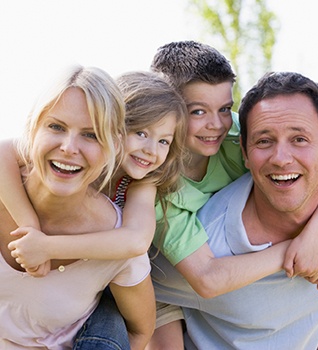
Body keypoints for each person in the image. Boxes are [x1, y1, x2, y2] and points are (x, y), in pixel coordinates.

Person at [146, 41, 318, 349]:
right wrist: (291, 252)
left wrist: (313, 236)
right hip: (178, 270)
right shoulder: (158, 190)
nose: (215, 124)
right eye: (198, 111)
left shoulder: (232, 136)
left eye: (225, 109)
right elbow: (205, 279)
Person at [0, 65, 156, 349]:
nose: (69, 147)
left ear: (114, 146)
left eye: (91, 134)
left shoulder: (116, 243)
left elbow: (139, 333)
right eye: (56, 127)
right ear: (33, 130)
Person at [2, 70, 187, 277]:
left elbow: (137, 241)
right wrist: (30, 226)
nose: (151, 150)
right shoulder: (67, 154)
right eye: (141, 133)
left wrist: (47, 247)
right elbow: (2, 153)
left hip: (98, 273)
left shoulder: (141, 184)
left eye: (164, 141)